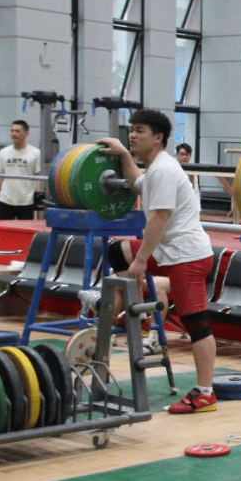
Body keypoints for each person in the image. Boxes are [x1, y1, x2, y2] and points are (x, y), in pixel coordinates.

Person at [97, 110, 220, 413]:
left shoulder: (165, 169)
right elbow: (137, 181)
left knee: (197, 325)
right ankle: (130, 312)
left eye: (139, 131)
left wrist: (141, 261)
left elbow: (159, 218)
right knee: (117, 251)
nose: (132, 135)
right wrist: (124, 153)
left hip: (187, 257)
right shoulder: (155, 170)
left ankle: (205, 393)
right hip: (170, 252)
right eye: (131, 131)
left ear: (158, 137)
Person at [0, 120, 42, 220]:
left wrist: (38, 199)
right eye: (12, 131)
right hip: (5, 200)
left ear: (27, 133)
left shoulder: (35, 153)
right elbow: (0, 176)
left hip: (26, 201)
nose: (14, 134)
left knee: (25, 233)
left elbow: (38, 177)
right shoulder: (3, 152)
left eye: (17, 131)